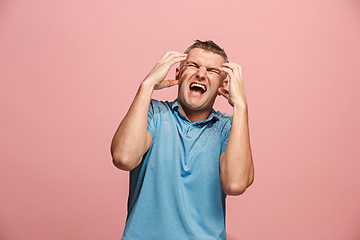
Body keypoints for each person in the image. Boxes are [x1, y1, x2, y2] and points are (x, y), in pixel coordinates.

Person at [110, 40, 254, 240]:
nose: (201, 74)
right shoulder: (153, 113)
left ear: (223, 84)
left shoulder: (228, 128)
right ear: (178, 74)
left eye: (212, 70)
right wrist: (147, 85)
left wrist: (241, 106)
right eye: (193, 65)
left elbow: (235, 184)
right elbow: (123, 158)